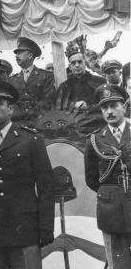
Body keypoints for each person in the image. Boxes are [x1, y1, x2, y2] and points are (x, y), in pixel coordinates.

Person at [0, 79, 54, 269]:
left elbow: (46, 187)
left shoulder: (31, 140)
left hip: (24, 228)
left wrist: (46, 227)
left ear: (10, 109)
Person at [84, 84, 131, 269]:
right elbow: (92, 179)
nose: (109, 111)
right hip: (111, 209)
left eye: (114, 106)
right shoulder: (94, 140)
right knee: (118, 262)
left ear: (124, 107)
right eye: (105, 108)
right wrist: (112, 192)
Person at [9, 37, 55, 117]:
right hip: (18, 123)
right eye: (16, 53)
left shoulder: (46, 76)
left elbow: (48, 102)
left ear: (30, 55)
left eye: (19, 53)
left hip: (39, 122)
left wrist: (29, 113)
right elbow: (11, 104)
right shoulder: (12, 80)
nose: (16, 56)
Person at [55, 48, 105, 112]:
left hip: (96, 117)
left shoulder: (99, 81)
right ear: (70, 67)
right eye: (73, 63)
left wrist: (88, 108)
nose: (77, 65)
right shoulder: (64, 86)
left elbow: (106, 101)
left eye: (79, 62)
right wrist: (74, 104)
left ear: (85, 64)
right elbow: (58, 105)